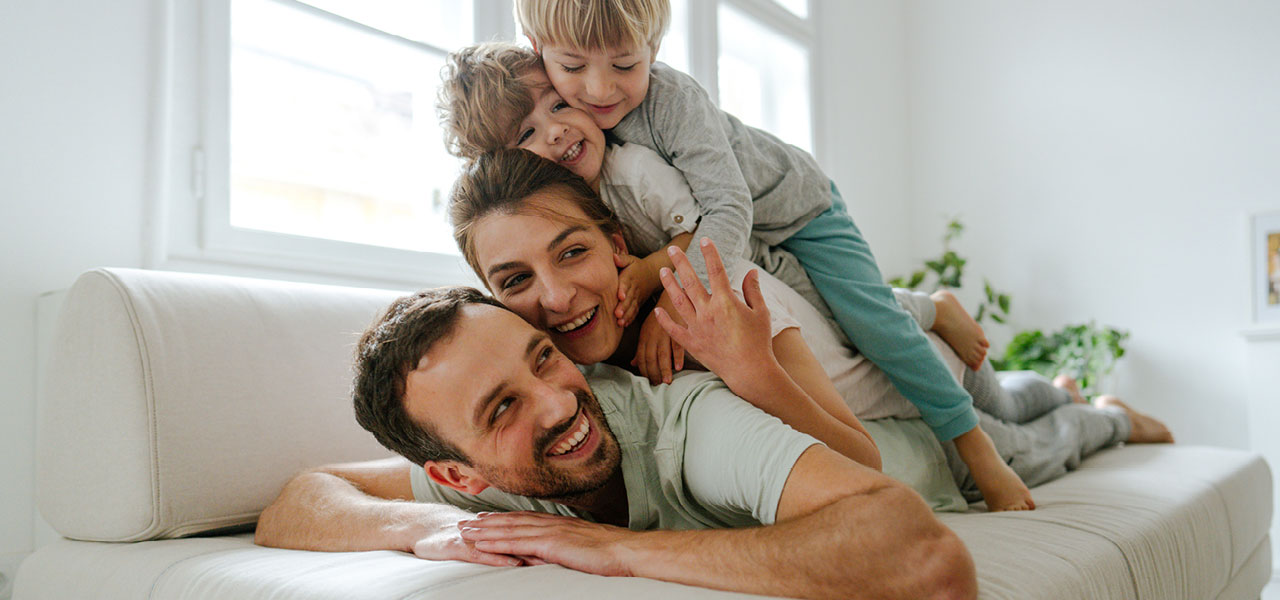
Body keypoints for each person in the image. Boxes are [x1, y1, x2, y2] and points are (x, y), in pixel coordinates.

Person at [438, 43, 1027, 509]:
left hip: (800, 214)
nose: (558, 129)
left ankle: (947, 335)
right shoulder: (577, 214)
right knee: (1013, 393)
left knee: (986, 396)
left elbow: (719, 218)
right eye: (525, 136)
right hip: (773, 266)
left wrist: (662, 290)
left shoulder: (643, 149)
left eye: (559, 107)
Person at [449, 149, 1172, 508]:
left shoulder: (718, 296)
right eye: (514, 280)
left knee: (1029, 433)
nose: (554, 295)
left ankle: (1104, 414)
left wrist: (750, 367)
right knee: (1021, 393)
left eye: (572, 252)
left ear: (616, 247)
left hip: (927, 380)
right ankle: (1060, 386)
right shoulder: (574, 374)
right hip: (891, 371)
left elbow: (859, 460)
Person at [255, 286, 979, 599]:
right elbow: (298, 499)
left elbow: (927, 561)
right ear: (458, 473)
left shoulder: (687, 424)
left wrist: (619, 550)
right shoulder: (476, 489)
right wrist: (432, 529)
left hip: (936, 449)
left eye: (543, 356)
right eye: (502, 407)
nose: (559, 400)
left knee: (1056, 419)